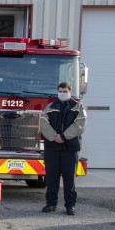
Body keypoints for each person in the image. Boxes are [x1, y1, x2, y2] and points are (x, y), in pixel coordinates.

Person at [40, 82, 87, 215]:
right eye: (60, 91)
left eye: (65, 91)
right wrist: (54, 137)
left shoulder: (78, 107)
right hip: (52, 148)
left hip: (70, 149)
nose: (62, 93)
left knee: (69, 179)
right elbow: (43, 123)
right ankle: (50, 204)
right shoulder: (50, 107)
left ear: (70, 92)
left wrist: (64, 136)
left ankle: (70, 206)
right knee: (51, 178)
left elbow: (80, 125)